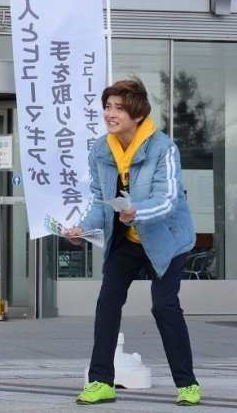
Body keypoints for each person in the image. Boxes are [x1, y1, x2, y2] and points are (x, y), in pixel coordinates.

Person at [65, 77, 201, 406]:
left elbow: (168, 200)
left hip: (166, 238)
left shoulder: (163, 148)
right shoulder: (102, 149)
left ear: (137, 115)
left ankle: (187, 385)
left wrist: (135, 211)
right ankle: (101, 382)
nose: (110, 114)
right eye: (108, 107)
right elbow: (100, 201)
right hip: (126, 238)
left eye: (119, 108)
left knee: (164, 306)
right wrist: (82, 229)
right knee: (107, 302)